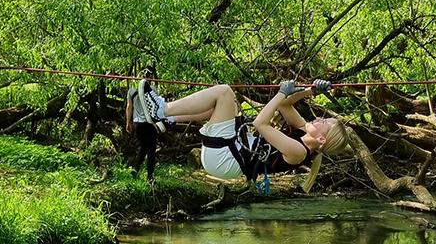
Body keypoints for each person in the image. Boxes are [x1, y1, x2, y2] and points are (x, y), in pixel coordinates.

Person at [150, 79, 349, 192]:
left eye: (325, 123)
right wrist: (310, 91)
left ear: (322, 140)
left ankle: (161, 109)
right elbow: (284, 105)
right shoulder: (302, 130)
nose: (320, 119)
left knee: (224, 93)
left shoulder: (299, 152)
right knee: (225, 106)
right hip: (231, 151)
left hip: (226, 158)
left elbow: (259, 124)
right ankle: (168, 119)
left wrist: (281, 92)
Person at [125, 68, 174, 184]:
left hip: (137, 123)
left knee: (143, 147)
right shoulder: (152, 89)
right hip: (149, 123)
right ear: (149, 77)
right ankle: (150, 177)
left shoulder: (132, 89)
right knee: (151, 150)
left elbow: (129, 107)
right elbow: (156, 107)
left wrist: (128, 122)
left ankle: (136, 167)